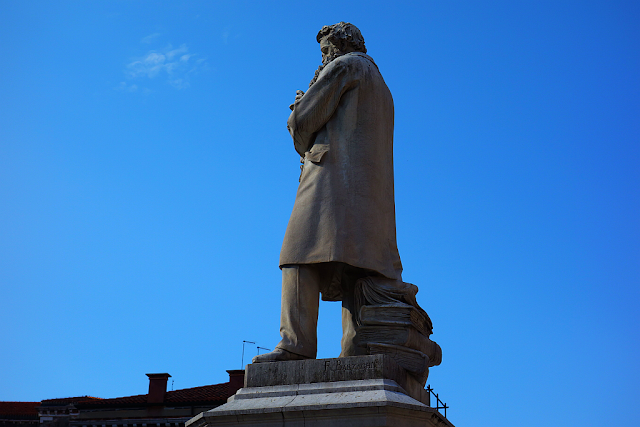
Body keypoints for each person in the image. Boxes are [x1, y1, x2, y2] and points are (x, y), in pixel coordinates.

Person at [253, 22, 402, 363]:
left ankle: (295, 344)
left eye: (325, 49)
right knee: (358, 266)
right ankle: (356, 350)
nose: (324, 56)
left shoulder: (345, 66)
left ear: (342, 44)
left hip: (330, 176)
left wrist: (299, 107)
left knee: (296, 255)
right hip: (369, 194)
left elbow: (304, 124)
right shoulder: (381, 86)